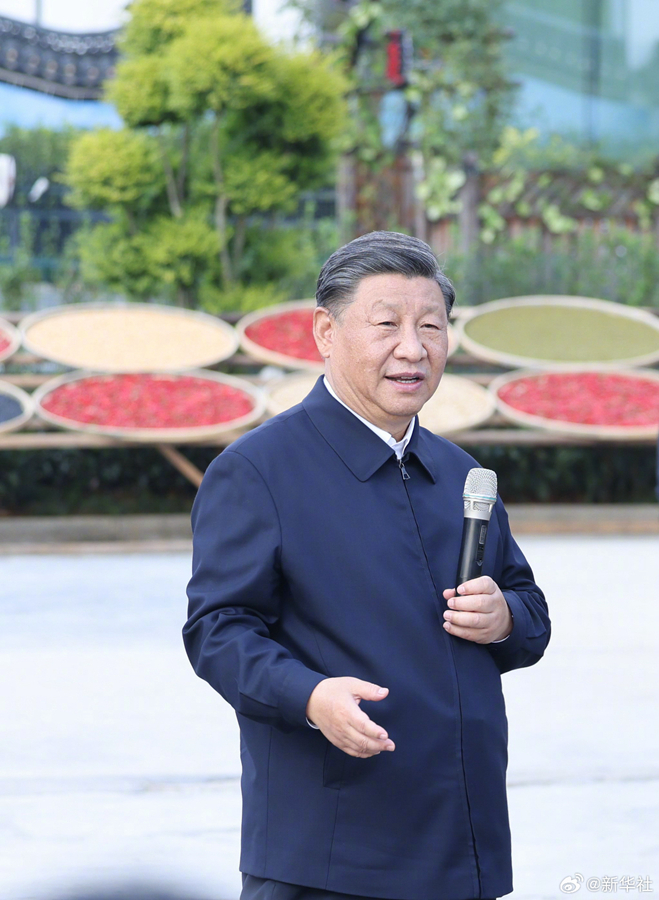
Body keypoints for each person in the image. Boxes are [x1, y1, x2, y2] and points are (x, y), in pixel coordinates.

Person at [183, 231, 551, 900]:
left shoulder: (461, 474)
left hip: (462, 844)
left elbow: (528, 610)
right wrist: (309, 696)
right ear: (326, 332)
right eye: (386, 325)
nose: (412, 348)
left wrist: (503, 617)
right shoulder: (259, 471)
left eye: (430, 326)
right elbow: (218, 631)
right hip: (329, 852)